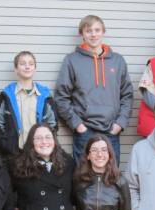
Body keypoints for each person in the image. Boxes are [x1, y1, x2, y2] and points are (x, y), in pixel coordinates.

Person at [54, 14, 133, 164]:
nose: (93, 34)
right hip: (85, 132)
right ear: (82, 34)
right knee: (83, 179)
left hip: (111, 131)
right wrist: (78, 125)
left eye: (97, 30)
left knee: (111, 178)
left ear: (103, 31)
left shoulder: (117, 61)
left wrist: (119, 124)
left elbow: (127, 95)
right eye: (88, 30)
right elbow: (61, 97)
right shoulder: (72, 60)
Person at [0, 50, 58, 157]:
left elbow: (53, 123)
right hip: (14, 153)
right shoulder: (7, 95)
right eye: (22, 64)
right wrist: (6, 146)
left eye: (31, 64)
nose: (27, 67)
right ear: (16, 69)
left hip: (39, 153)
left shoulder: (45, 94)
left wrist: (47, 145)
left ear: (34, 68)